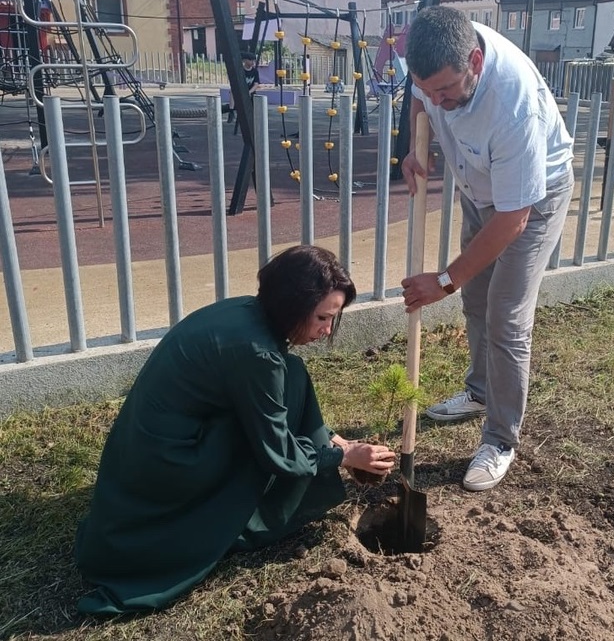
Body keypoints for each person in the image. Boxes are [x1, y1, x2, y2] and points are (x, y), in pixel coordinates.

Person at [74, 245, 395, 614]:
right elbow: (279, 455)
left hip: (143, 443)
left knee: (292, 375)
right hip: (168, 464)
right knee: (259, 439)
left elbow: (276, 395)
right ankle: (228, 523)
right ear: (293, 304)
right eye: (322, 318)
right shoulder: (256, 353)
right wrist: (343, 456)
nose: (326, 330)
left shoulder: (246, 312)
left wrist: (335, 440)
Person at [399, 6, 574, 492]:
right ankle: (479, 391)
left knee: (505, 313)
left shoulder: (510, 103)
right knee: (475, 296)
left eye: (446, 92)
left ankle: (500, 438)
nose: (437, 100)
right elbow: (418, 98)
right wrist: (415, 146)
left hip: (531, 200)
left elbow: (514, 219)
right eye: (429, 89)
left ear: (475, 61)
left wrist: (442, 281)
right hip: (480, 189)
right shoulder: (436, 59)